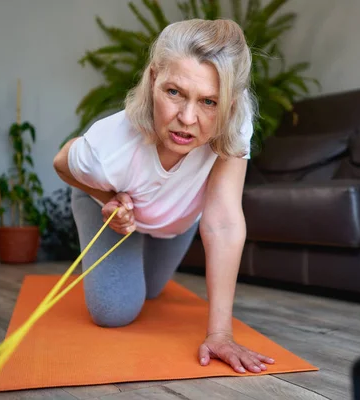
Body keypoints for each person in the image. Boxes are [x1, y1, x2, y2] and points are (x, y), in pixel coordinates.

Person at [53, 18, 274, 375]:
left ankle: (143, 249)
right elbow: (61, 161)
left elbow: (224, 222)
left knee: (153, 292)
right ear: (154, 78)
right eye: (174, 92)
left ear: (231, 104)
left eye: (208, 101)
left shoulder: (235, 119)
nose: (187, 118)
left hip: (176, 217)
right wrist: (108, 195)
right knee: (115, 312)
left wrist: (220, 334)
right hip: (113, 210)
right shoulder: (108, 146)